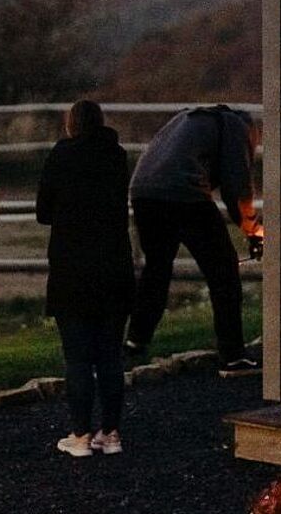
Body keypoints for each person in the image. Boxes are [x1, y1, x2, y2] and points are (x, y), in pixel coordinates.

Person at [126, 104, 263, 376]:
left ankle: (134, 342)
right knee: (223, 271)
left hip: (144, 191)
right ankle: (233, 355)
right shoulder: (236, 128)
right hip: (184, 193)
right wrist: (254, 230)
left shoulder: (190, 119)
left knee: (156, 269)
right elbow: (237, 186)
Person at [35, 99, 135, 457]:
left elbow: (43, 212)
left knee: (77, 357)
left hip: (71, 269)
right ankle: (110, 433)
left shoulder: (60, 157)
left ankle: (79, 435)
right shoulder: (117, 156)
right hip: (114, 266)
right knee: (110, 355)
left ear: (70, 125)